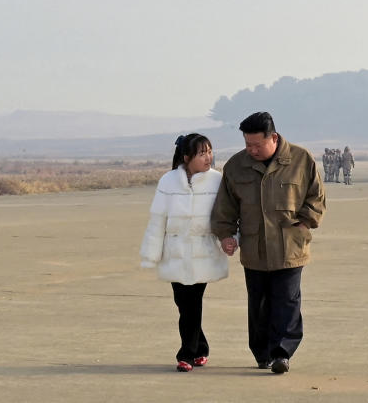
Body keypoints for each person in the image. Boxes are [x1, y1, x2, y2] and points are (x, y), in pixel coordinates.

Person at [211, 112, 326, 375]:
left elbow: (316, 196)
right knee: (259, 303)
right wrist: (226, 235)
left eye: (257, 145)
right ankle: (262, 353)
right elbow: (225, 206)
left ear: (273, 138)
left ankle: (282, 353)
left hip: (290, 246)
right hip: (255, 248)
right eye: (247, 145)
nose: (251, 150)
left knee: (286, 300)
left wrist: (305, 223)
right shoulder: (236, 166)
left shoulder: (300, 159)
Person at [139, 133, 228, 372]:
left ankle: (186, 354)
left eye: (210, 151)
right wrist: (151, 254)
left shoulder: (217, 181)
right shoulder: (167, 181)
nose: (208, 157)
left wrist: (229, 240)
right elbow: (158, 220)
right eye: (202, 153)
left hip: (203, 252)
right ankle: (201, 346)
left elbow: (225, 217)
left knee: (192, 302)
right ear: (186, 157)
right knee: (183, 302)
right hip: (175, 252)